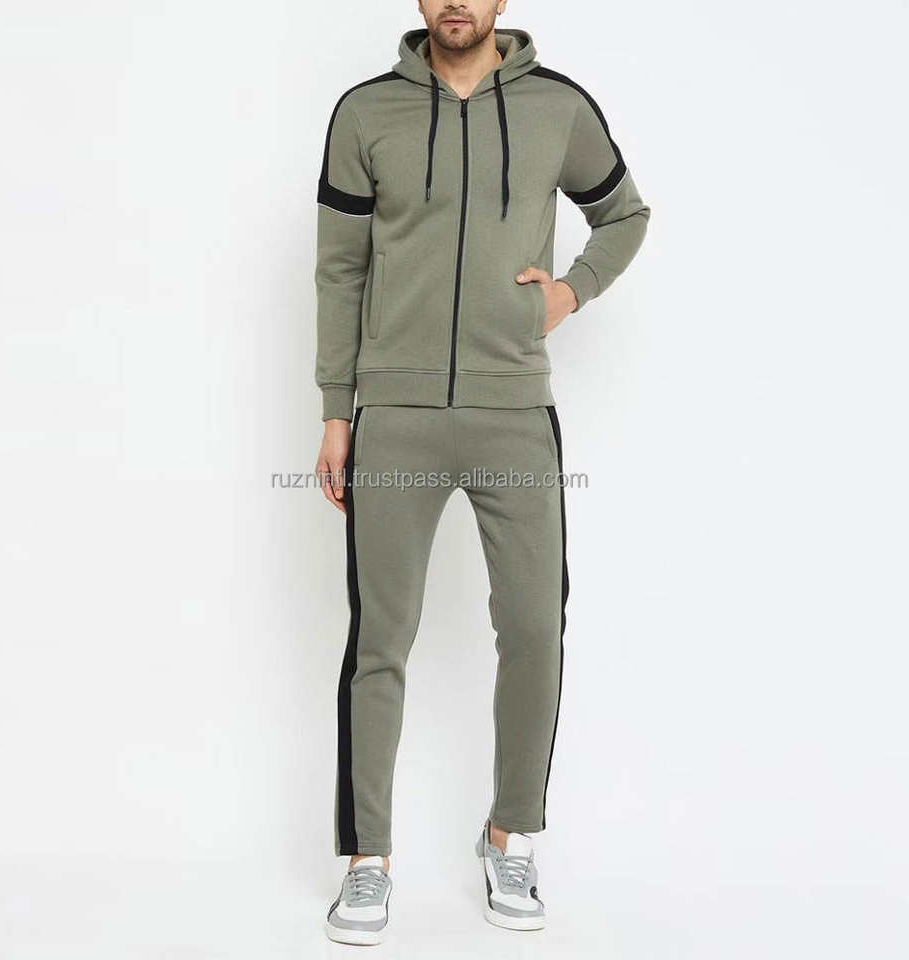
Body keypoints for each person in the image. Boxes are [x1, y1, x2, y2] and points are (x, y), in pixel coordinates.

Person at [314, 1, 649, 944]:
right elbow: (339, 269)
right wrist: (337, 411)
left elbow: (624, 214)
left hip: (514, 415)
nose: (455, 0)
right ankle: (367, 860)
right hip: (396, 416)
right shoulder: (365, 112)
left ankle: (511, 835)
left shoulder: (557, 107)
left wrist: (572, 292)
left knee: (535, 628)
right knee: (380, 639)